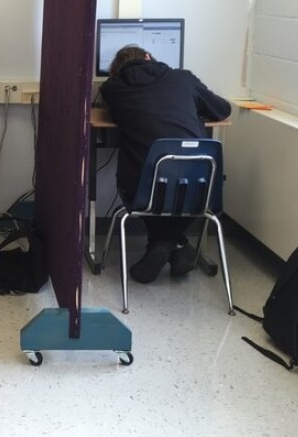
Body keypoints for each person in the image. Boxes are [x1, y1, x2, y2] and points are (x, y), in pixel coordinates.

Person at [99, 45, 231, 284]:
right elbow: (222, 110)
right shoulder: (183, 77)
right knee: (178, 185)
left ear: (115, 72)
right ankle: (176, 244)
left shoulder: (112, 89)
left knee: (147, 176)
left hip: (144, 189)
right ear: (149, 57)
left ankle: (162, 244)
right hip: (200, 190)